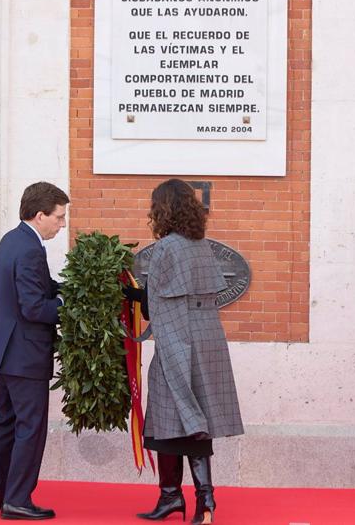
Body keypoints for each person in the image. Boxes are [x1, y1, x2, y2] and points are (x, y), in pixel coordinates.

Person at [125, 178, 244, 524]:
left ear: (163, 209)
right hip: (207, 339)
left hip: (178, 338)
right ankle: (194, 501)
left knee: (175, 417)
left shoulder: (164, 249)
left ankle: (179, 499)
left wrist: (130, 297)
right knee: (188, 419)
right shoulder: (201, 245)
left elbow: (154, 308)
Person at [0, 182, 69, 520]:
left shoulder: (12, 240)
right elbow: (35, 307)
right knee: (30, 428)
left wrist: (66, 288)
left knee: (4, 421)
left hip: (4, 351)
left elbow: (38, 285)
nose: (61, 225)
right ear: (39, 215)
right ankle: (18, 499)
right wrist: (65, 305)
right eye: (59, 218)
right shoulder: (32, 249)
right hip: (25, 354)